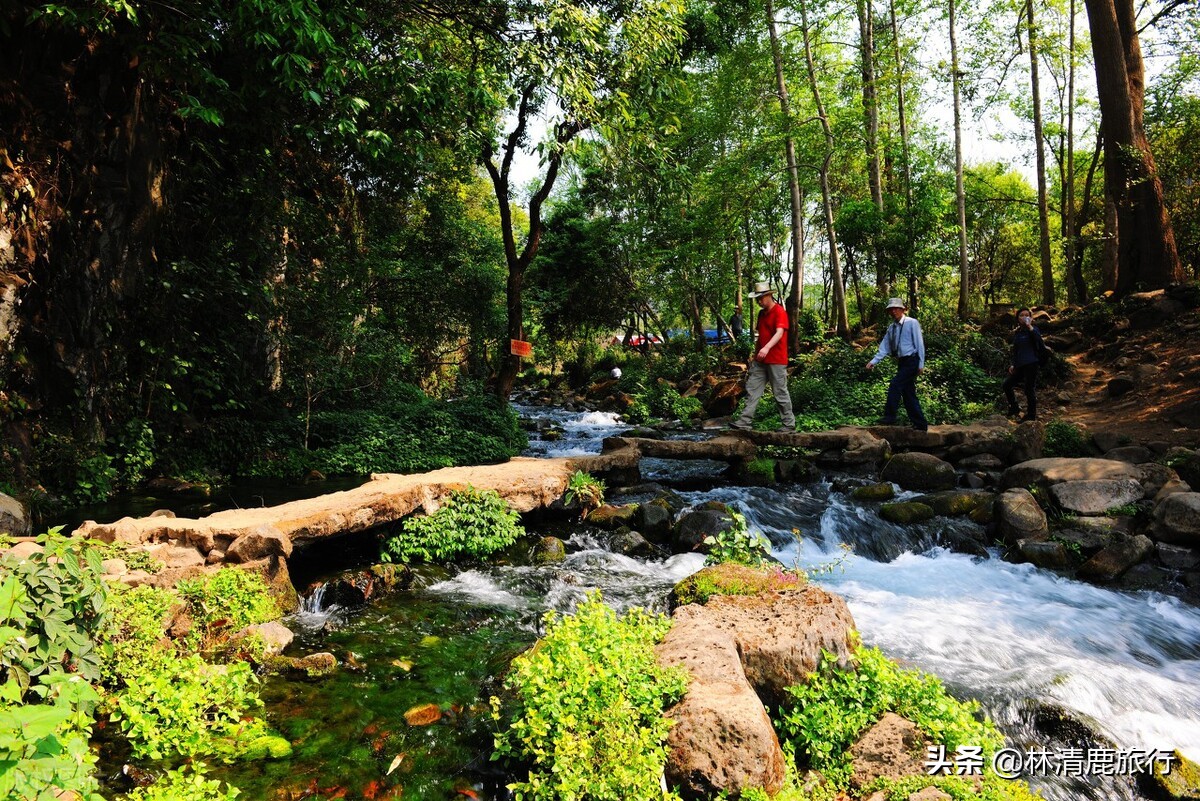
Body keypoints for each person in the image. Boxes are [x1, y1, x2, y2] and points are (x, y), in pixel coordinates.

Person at [732, 281, 795, 431]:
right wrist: (756, 354)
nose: (759, 301)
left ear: (769, 296)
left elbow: (779, 333)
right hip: (761, 360)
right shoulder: (761, 314)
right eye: (757, 299)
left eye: (761, 298)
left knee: (780, 392)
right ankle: (744, 421)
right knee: (752, 388)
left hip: (776, 359)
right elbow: (760, 336)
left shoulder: (779, 312)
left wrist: (766, 348)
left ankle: (788, 424)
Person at [865, 297, 929, 432]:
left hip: (912, 360)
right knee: (908, 393)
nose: (893, 311)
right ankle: (920, 424)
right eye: (891, 309)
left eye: (896, 308)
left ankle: (890, 416)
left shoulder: (912, 323)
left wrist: (921, 364)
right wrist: (873, 361)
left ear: (902, 309)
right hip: (902, 362)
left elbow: (919, 344)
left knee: (895, 384)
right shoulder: (892, 328)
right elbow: (885, 347)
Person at [1002, 307, 1048, 422]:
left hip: (1032, 363)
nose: (1024, 317)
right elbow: (1016, 351)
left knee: (1029, 389)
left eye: (1027, 315)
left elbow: (1039, 341)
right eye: (1021, 315)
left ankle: (1031, 416)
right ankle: (1014, 408)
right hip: (1020, 365)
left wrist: (1030, 327)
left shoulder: (1034, 330)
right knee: (1007, 384)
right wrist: (1013, 364)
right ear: (1018, 319)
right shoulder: (1017, 333)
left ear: (1031, 318)